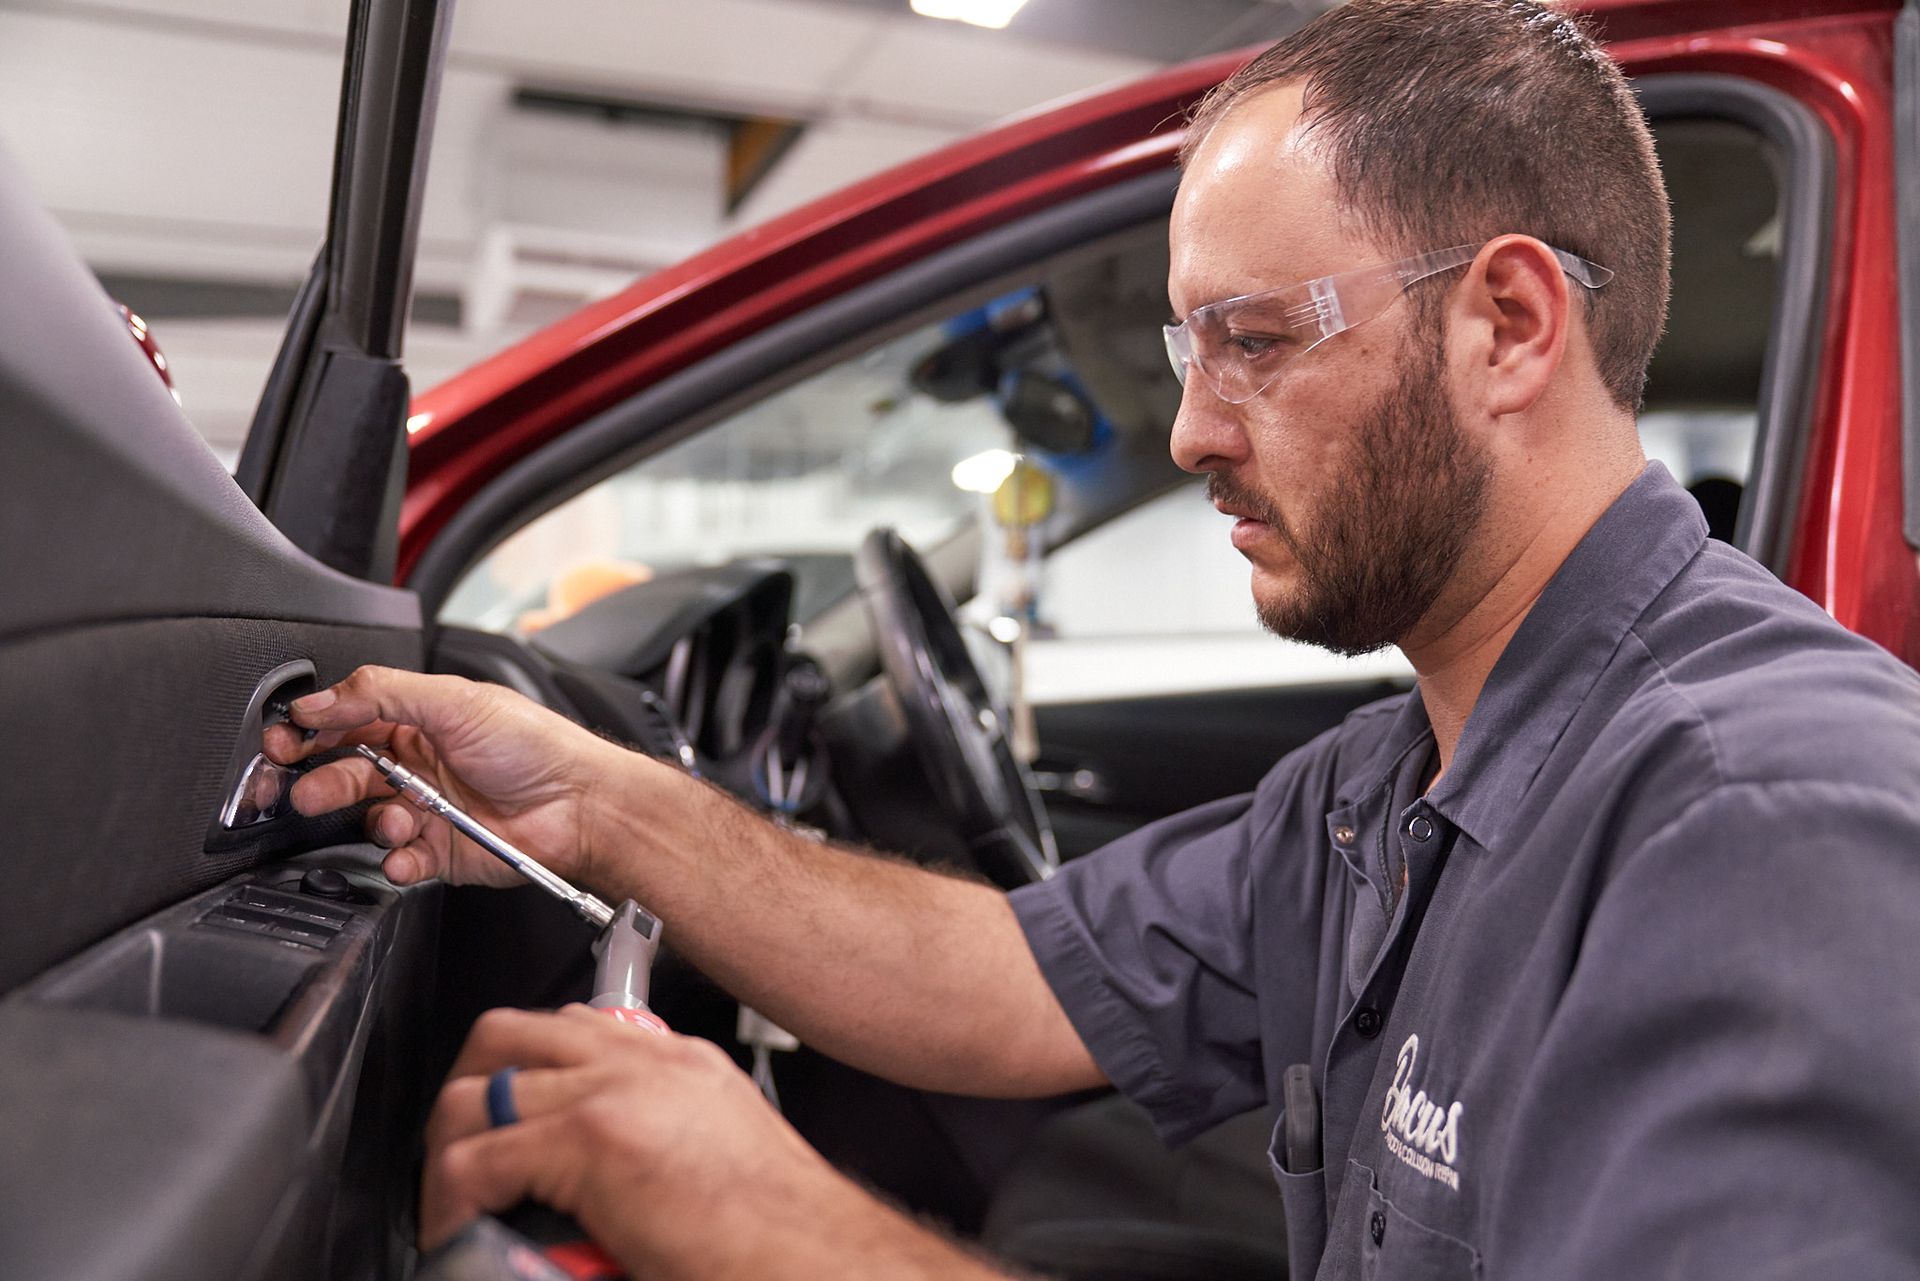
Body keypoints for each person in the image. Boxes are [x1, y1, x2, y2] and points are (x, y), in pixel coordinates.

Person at [267, 1, 1920, 1277]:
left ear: (1506, 326)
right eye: (1187, 353)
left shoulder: (1758, 834)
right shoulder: (1383, 786)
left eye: (1256, 341)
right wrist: (603, 801)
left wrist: (781, 1220)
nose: (1194, 430)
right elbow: (1008, 982)